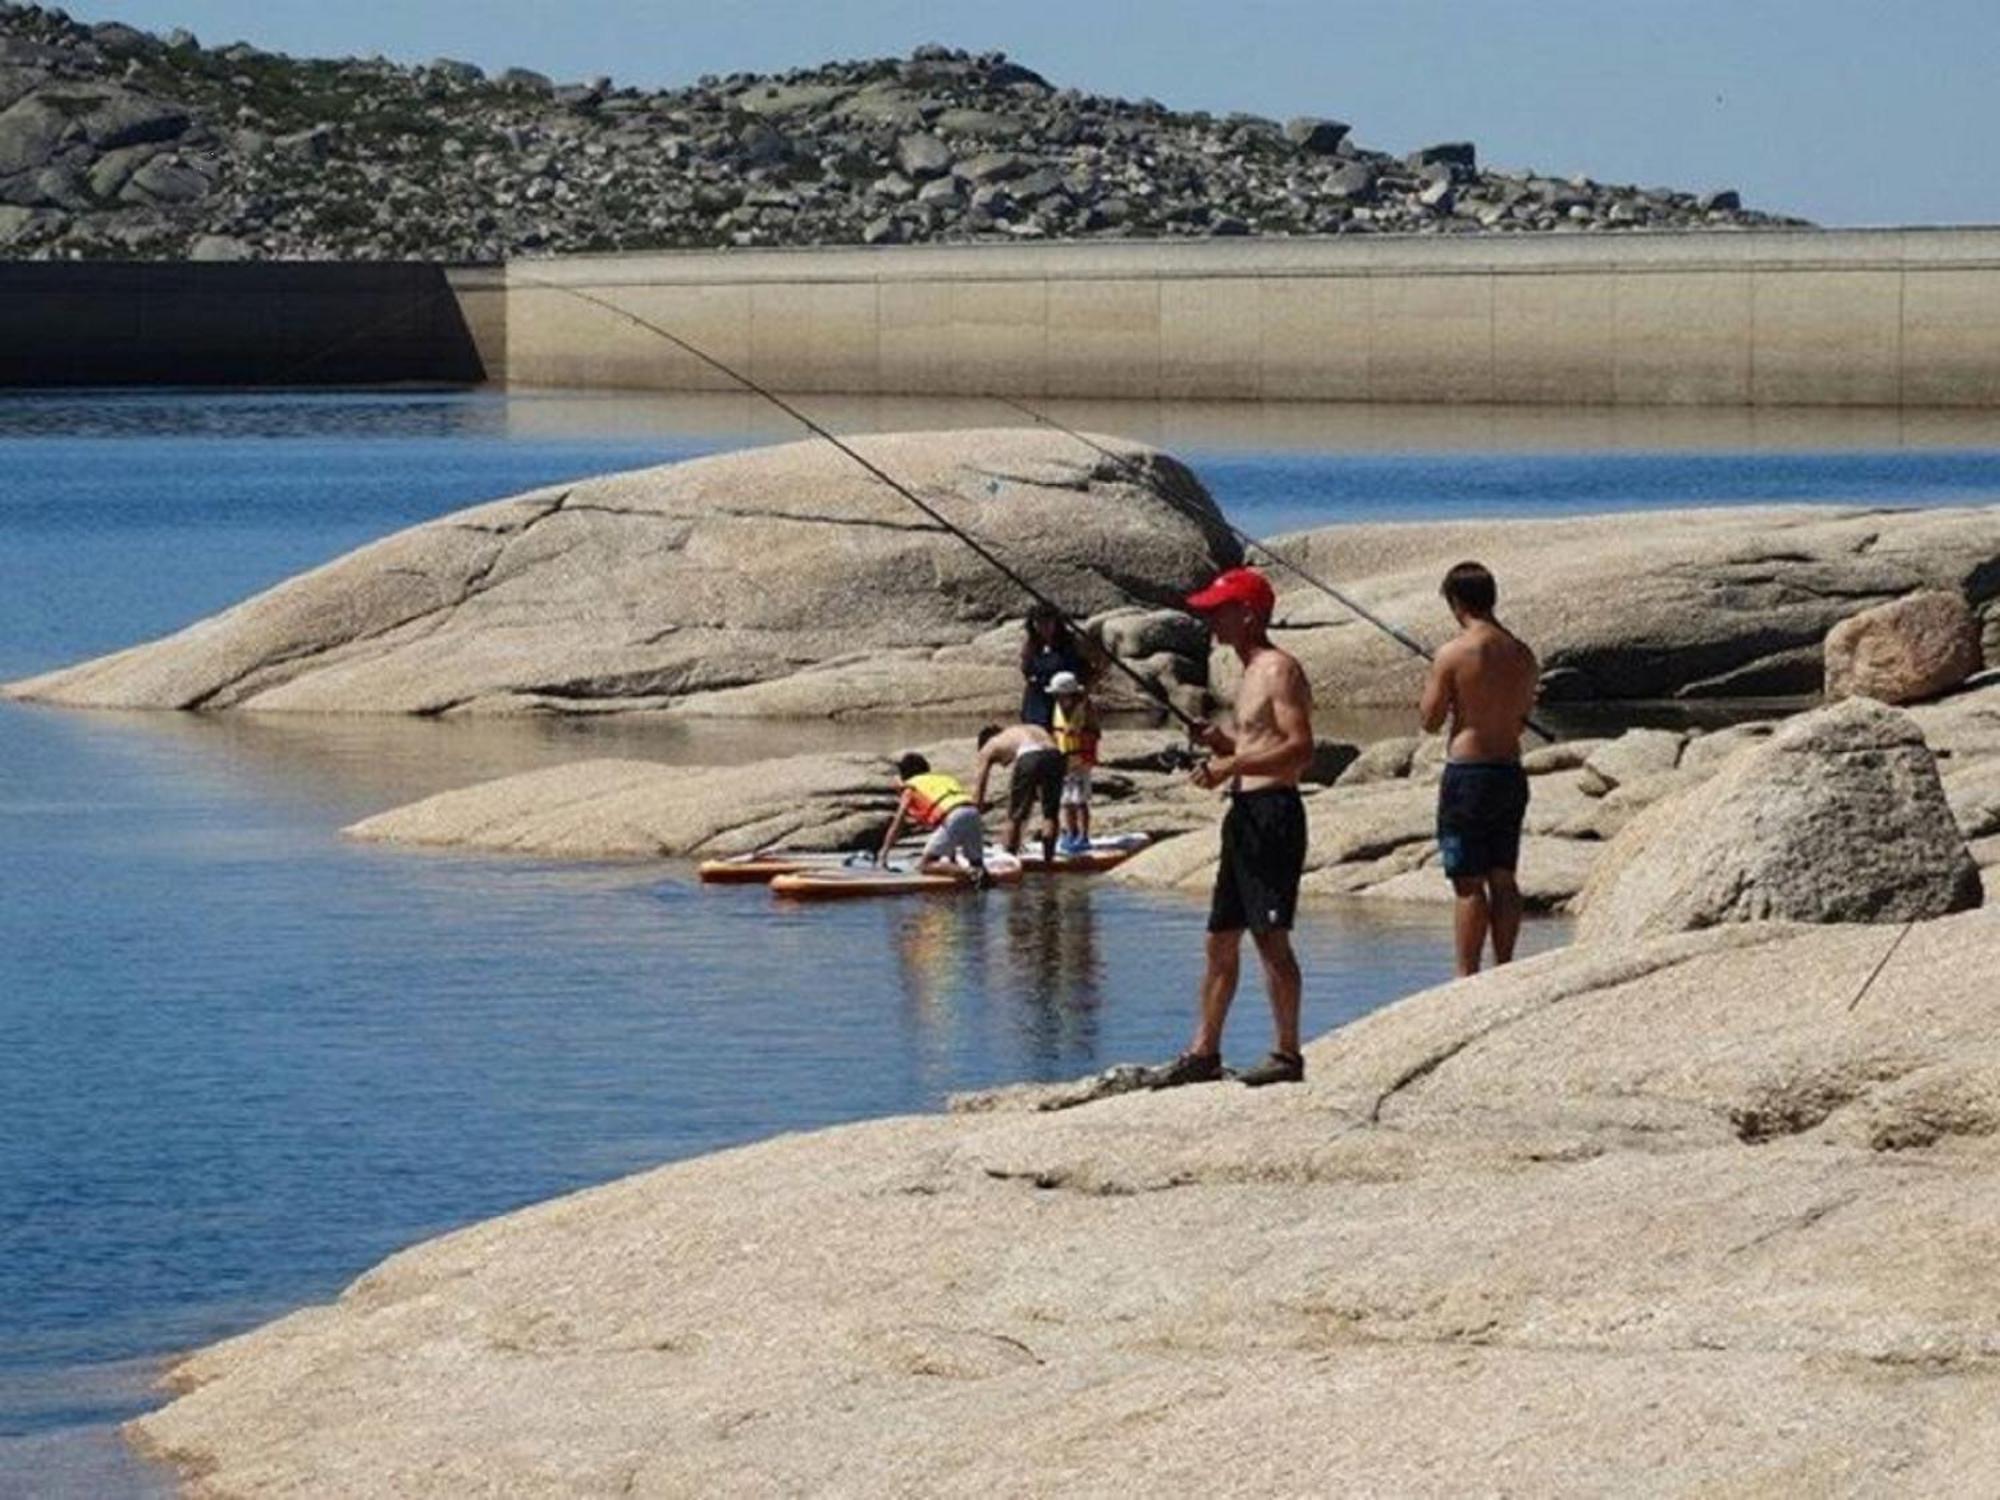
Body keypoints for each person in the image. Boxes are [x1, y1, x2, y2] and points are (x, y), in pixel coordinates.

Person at [1154, 566, 1315, 1090]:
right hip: (1243, 816)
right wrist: (1223, 745)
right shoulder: (1246, 671)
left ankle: (1287, 1054)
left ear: (1247, 614)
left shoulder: (1278, 669)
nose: (1209, 619)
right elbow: (1258, 743)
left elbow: (1300, 748)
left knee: (1271, 939)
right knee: (1220, 940)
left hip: (1273, 816)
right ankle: (1205, 1051)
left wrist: (1231, 767)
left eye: (1218, 610)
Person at [1419, 561, 1540, 978]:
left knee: (1468, 882)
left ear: (1456, 602)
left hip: (1468, 776)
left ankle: (1467, 976)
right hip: (1509, 771)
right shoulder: (1523, 654)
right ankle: (1504, 966)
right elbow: (1522, 716)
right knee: (1503, 875)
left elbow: (1430, 720)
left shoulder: (1453, 653)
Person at [880, 752, 989, 887]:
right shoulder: (945, 779)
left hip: (953, 815)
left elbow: (897, 823)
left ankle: (972, 872)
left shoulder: (910, 787)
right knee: (976, 861)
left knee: (925, 865)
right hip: (973, 812)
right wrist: (952, 862)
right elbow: (952, 828)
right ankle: (979, 871)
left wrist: (883, 854)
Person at [972, 721, 1066, 864]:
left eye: (997, 761)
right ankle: (1049, 859)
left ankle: (1009, 859)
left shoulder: (989, 745)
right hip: (1055, 754)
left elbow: (980, 785)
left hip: (1029, 756)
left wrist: (973, 815)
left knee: (1016, 814)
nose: (1003, 765)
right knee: (1050, 814)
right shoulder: (1020, 730)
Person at [1048, 669, 1101, 854]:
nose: (1058, 699)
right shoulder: (1058, 709)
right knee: (1065, 800)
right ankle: (1070, 833)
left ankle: (1083, 836)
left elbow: (1096, 733)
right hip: (1064, 759)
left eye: (1060, 696)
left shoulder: (1085, 709)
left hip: (1081, 759)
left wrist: (1081, 733)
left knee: (1079, 800)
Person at [1019, 604, 1085, 730]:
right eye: (1039, 623)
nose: (1044, 627)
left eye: (1047, 622)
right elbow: (1027, 670)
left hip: (1062, 697)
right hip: (1037, 699)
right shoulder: (1032, 646)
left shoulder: (1067, 645)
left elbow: (1076, 670)